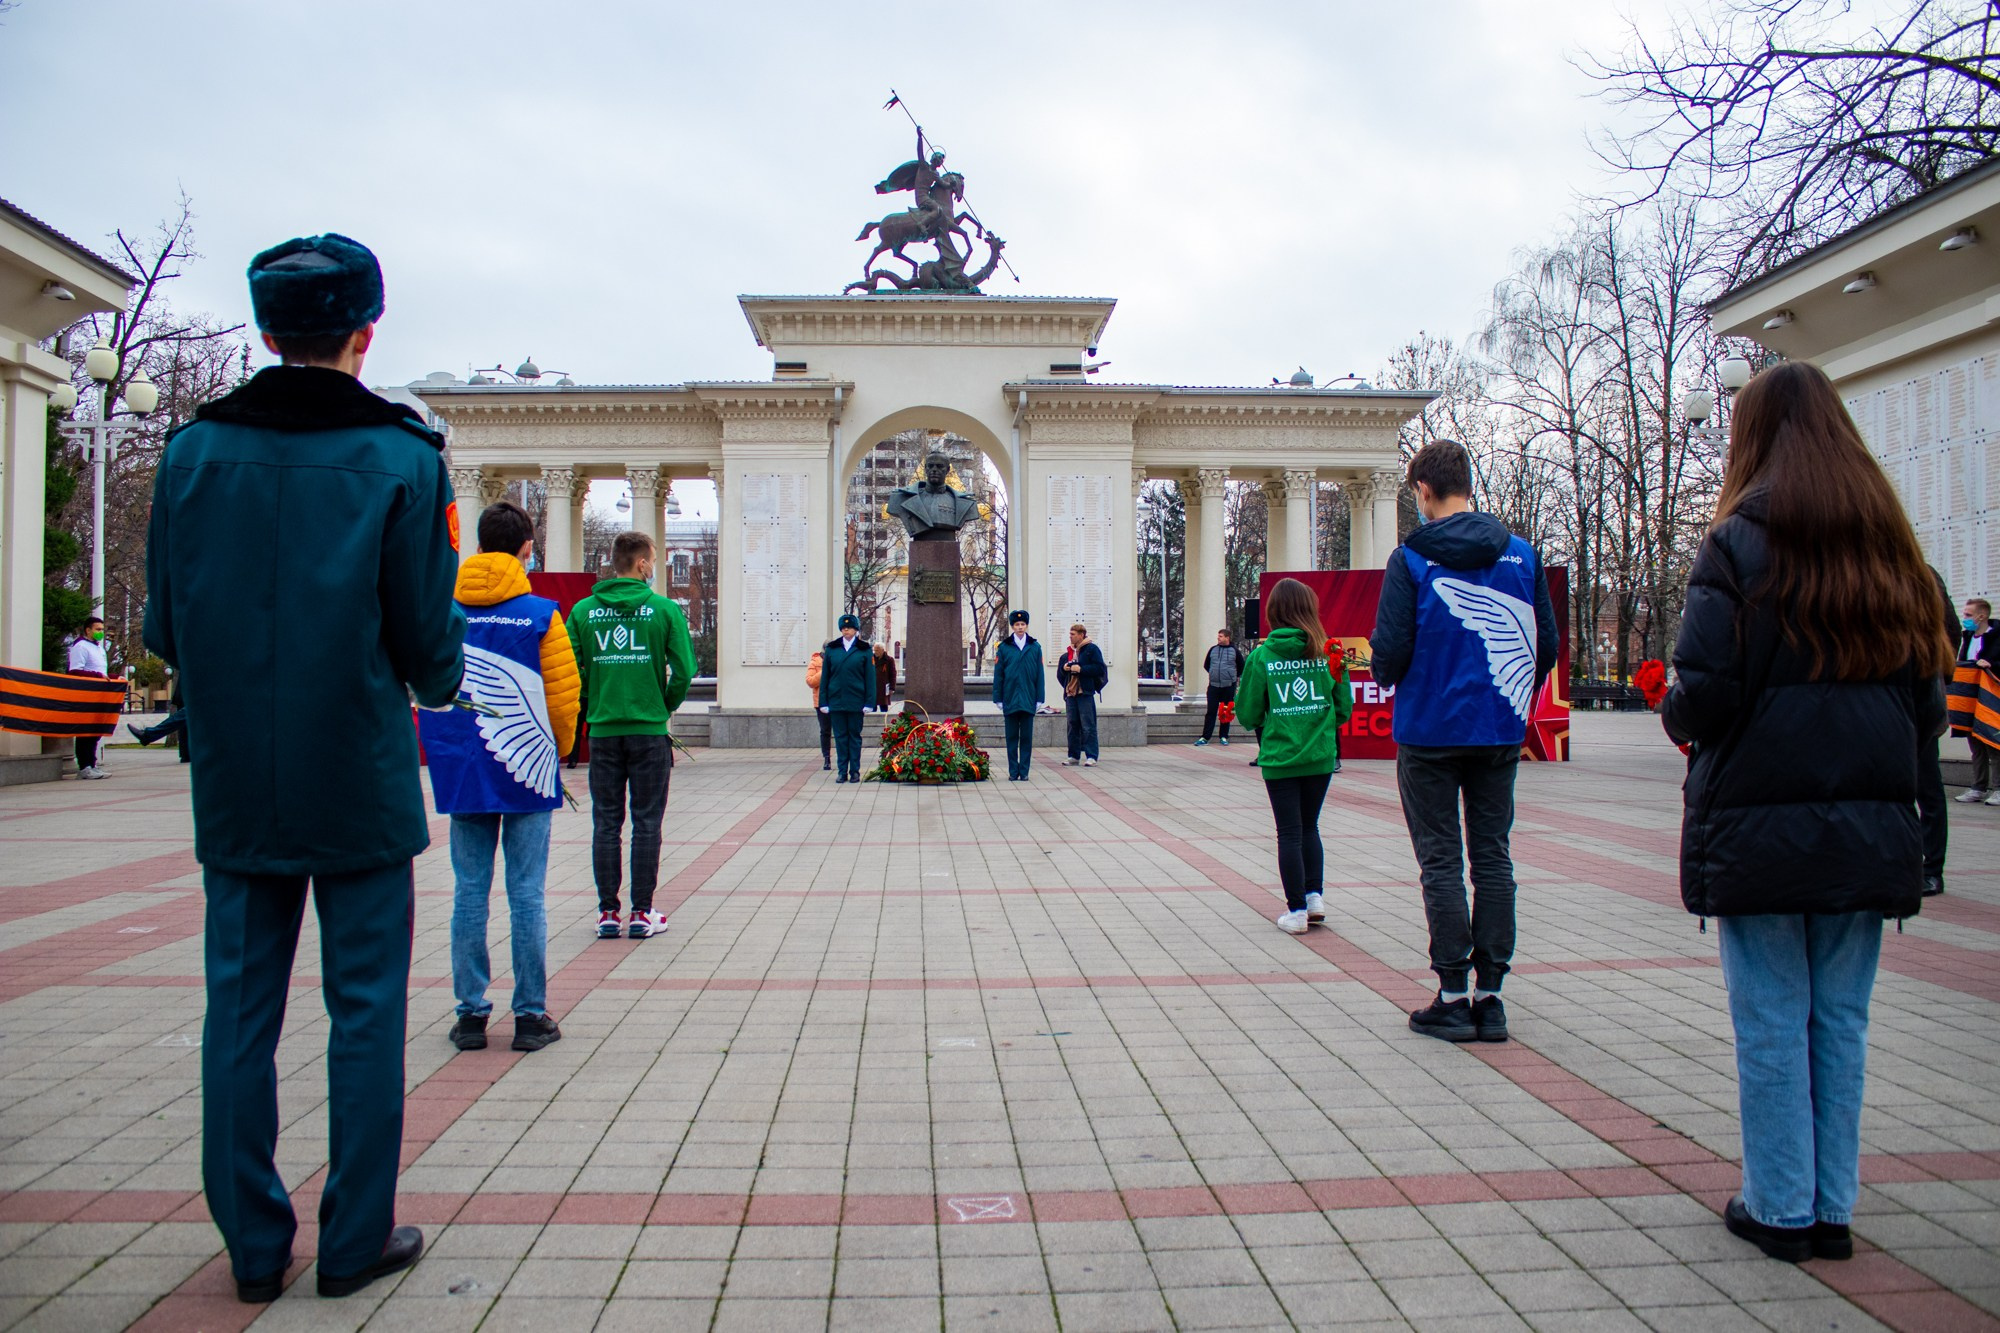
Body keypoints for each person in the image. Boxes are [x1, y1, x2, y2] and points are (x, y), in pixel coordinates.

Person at [144, 233, 462, 1301]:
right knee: (365, 1006)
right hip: (358, 770)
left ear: (266, 330)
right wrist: (433, 677)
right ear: (364, 335)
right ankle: (353, 1238)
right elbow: (427, 644)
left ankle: (249, 1244)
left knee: (237, 1008)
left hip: (236, 774)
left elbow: (164, 627)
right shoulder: (404, 458)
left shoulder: (190, 454)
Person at [1662, 361, 1950, 1264]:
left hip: (1757, 823)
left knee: (1773, 1015)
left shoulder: (1737, 546)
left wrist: (1682, 712)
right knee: (1843, 1017)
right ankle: (1832, 1205)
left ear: (1752, 439)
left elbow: (1699, 697)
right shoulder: (1896, 553)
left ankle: (1778, 1201)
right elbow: (1930, 709)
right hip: (1868, 827)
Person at [1370, 437, 1557, 1044]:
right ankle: (1492, 996)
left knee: (1442, 860)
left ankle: (1452, 994)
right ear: (1466, 484)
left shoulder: (1412, 560)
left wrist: (1390, 674)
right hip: (1499, 727)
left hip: (1428, 731)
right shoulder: (1522, 556)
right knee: (1494, 857)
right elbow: (1547, 646)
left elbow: (1391, 651)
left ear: (1422, 491)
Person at [419, 501, 579, 1054]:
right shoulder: (539, 615)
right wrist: (556, 751)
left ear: (479, 545)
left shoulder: (446, 611)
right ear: (526, 549)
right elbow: (563, 696)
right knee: (527, 892)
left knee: (469, 891)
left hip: (464, 763)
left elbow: (427, 684)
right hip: (526, 766)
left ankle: (470, 1016)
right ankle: (530, 1017)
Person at [570, 531, 696, 940]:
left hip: (604, 732)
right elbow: (685, 670)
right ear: (642, 564)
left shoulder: (584, 611)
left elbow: (572, 672)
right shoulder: (662, 610)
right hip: (648, 732)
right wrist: (663, 704)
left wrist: (595, 701)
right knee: (647, 822)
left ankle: (608, 912)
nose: (653, 566)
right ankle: (642, 913)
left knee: (606, 823)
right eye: (654, 560)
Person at [1236, 579, 1352, 934]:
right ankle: (1315, 897)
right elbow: (1344, 708)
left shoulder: (1261, 657)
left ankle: (1297, 911)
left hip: (1280, 758)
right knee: (1310, 826)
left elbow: (1248, 713)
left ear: (1273, 612)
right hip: (1319, 756)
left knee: (1288, 832)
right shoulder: (1328, 651)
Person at [817, 614, 875, 782]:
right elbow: (825, 677)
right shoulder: (832, 649)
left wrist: (869, 702)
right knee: (841, 738)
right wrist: (824, 702)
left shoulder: (864, 649)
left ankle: (855, 771)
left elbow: (870, 678)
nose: (846, 630)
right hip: (837, 700)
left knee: (854, 737)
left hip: (856, 700)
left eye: (849, 627)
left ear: (856, 629)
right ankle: (842, 771)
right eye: (843, 628)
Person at [992, 610, 1044, 780]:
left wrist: (1039, 698)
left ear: (1026, 625)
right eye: (1017, 625)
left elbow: (1040, 675)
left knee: (1027, 739)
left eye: (1022, 624)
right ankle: (1013, 772)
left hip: (1028, 699)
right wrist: (998, 698)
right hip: (1010, 698)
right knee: (1012, 738)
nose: (1020, 627)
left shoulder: (1035, 647)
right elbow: (999, 675)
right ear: (1012, 627)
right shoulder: (1005, 647)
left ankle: (1025, 772)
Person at [1955, 597, 1997, 805]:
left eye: (1968, 615)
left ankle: (1998, 788)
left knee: (1993, 743)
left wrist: (1991, 664)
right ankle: (1978, 787)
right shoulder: (1968, 637)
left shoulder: (1996, 636)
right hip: (1970, 698)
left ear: (1982, 616)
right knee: (1975, 744)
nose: (1965, 619)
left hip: (1990, 698)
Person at [66, 616, 111, 778]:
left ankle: (92, 763)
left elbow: (101, 672)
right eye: (98, 629)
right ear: (88, 630)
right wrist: (97, 676)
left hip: (99, 694)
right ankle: (84, 766)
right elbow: (75, 671)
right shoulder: (80, 647)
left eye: (102, 630)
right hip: (86, 695)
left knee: (95, 730)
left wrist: (111, 677)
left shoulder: (99, 648)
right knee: (85, 731)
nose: (101, 632)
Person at [1059, 622, 1108, 766]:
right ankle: (1073, 756)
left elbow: (1099, 668)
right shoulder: (1069, 652)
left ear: (1081, 635)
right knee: (1072, 724)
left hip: (1085, 692)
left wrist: (1081, 669)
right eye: (1070, 634)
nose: (1070, 637)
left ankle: (1091, 755)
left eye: (1073, 635)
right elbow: (1060, 675)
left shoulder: (1091, 649)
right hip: (1071, 693)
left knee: (1088, 725)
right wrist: (1064, 668)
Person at [1195, 629, 1246, 747]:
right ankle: (1205, 737)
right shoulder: (1213, 650)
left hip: (1228, 686)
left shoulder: (1235, 651)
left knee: (1226, 711)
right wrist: (1213, 674)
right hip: (1213, 686)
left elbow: (1241, 666)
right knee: (1211, 712)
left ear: (1227, 638)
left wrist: (1232, 677)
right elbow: (1206, 665)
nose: (1218, 638)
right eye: (1218, 636)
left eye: (1221, 636)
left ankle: (1224, 736)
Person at [805, 650, 832, 771]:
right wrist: (824, 670)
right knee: (825, 731)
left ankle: (844, 759)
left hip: (837, 700)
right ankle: (826, 758)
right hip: (821, 702)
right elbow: (810, 681)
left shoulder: (838, 660)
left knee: (841, 731)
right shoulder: (815, 662)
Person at [873, 641, 898, 713]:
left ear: (882, 650)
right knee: (872, 707)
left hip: (884, 687)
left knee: (884, 706)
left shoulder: (889, 660)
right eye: (874, 650)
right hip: (873, 686)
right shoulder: (871, 659)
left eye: (877, 650)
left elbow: (893, 674)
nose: (875, 652)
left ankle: (884, 722)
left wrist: (892, 688)